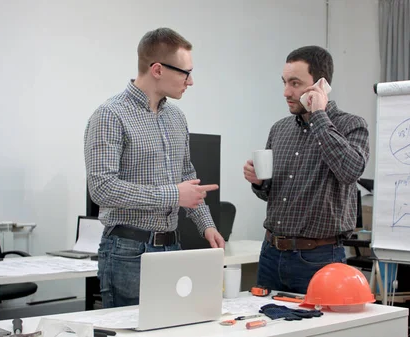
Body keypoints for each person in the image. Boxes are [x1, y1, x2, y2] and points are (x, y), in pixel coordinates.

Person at [84, 27, 225, 308]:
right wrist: (174, 195)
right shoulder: (110, 115)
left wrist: (206, 225)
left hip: (171, 247)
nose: (191, 81)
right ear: (158, 69)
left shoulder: (176, 117)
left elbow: (186, 177)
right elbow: (102, 189)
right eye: (185, 72)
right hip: (128, 250)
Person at [243, 46, 370, 295]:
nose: (286, 92)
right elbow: (272, 195)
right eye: (284, 82)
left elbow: (350, 171)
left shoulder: (351, 125)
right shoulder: (280, 129)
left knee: (316, 331)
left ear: (320, 85)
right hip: (271, 254)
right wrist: (259, 183)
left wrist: (319, 115)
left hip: (319, 258)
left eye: (295, 83)